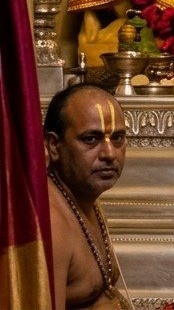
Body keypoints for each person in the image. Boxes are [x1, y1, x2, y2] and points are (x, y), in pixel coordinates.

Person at [44, 84, 130, 309]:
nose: (109, 154)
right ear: (54, 146)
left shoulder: (85, 198)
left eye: (118, 138)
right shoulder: (51, 224)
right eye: (91, 139)